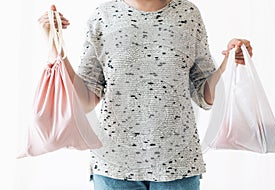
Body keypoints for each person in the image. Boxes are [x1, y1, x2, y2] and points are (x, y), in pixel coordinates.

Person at [38, 0, 253, 189]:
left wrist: (229, 63)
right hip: (114, 169)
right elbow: (84, 100)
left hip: (178, 168)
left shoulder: (188, 15)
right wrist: (55, 44)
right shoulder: (103, 16)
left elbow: (205, 94)